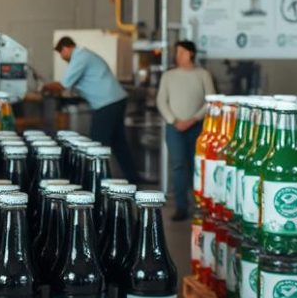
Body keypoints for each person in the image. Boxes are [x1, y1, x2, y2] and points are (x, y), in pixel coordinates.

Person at [43, 36, 138, 181]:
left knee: (97, 146)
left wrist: (43, 86)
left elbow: (63, 85)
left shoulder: (80, 57)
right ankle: (133, 179)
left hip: (107, 103)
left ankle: (98, 183)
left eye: (61, 54)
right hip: (116, 100)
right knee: (119, 144)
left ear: (66, 48)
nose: (62, 58)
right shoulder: (84, 55)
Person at [155, 41, 216, 220]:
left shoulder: (203, 75)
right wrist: (174, 120)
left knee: (197, 166)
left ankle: (200, 205)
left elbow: (211, 101)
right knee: (179, 164)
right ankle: (181, 206)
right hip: (174, 128)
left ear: (190, 54)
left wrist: (194, 119)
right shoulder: (169, 76)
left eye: (180, 52)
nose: (177, 56)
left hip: (197, 126)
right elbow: (161, 101)